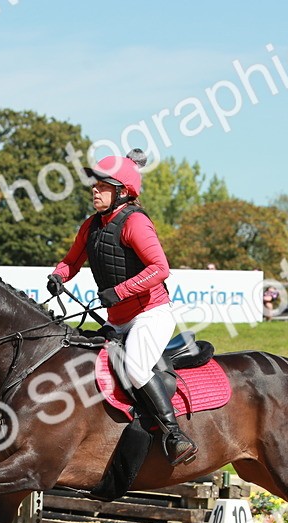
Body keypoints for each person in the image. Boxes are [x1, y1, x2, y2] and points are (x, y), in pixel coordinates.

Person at [46, 148, 197, 466]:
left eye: (102, 185)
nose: (94, 190)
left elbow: (160, 269)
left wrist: (122, 291)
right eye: (94, 185)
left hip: (150, 314)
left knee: (136, 367)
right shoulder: (92, 226)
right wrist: (59, 275)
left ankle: (174, 434)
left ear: (123, 192)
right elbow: (72, 261)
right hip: (118, 319)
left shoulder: (136, 223)